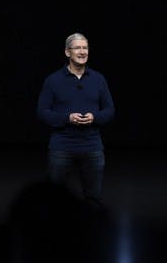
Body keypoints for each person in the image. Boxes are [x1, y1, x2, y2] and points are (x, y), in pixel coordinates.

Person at [37, 32, 115, 209]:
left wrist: (95, 117)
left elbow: (110, 110)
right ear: (67, 52)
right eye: (77, 48)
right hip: (61, 147)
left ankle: (92, 235)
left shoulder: (98, 79)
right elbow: (42, 112)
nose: (82, 52)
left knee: (93, 198)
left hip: (92, 146)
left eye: (85, 48)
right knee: (55, 200)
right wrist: (67, 118)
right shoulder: (53, 80)